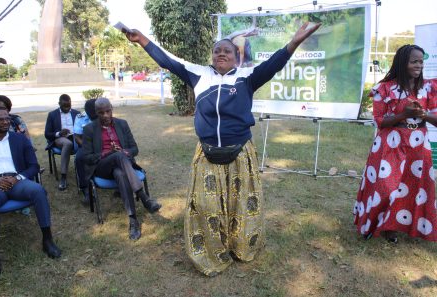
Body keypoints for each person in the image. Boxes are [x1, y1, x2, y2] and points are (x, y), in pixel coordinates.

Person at [124, 22, 321, 276]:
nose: (221, 54)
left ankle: (241, 248)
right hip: (206, 153)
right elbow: (168, 61)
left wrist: (294, 42)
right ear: (212, 56)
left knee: (242, 206)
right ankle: (211, 250)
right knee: (206, 207)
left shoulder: (247, 77)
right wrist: (142, 40)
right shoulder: (198, 75)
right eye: (217, 51)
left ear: (236, 57)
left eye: (227, 51)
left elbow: (275, 63)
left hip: (240, 152)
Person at [354, 44, 437, 244]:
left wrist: (422, 114)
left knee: (412, 187)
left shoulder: (429, 88)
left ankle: (393, 227)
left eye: (421, 61)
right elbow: (379, 121)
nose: (419, 65)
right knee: (384, 186)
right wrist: (404, 114)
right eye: (414, 61)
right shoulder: (385, 88)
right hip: (390, 143)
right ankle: (372, 224)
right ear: (402, 63)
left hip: (419, 144)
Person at [82, 98, 162, 240]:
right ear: (96, 113)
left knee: (120, 173)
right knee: (117, 156)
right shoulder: (89, 129)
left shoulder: (122, 124)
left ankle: (133, 220)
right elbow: (86, 157)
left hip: (123, 165)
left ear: (112, 108)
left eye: (108, 111)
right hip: (102, 167)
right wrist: (108, 153)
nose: (105, 115)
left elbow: (134, 149)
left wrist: (124, 152)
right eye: (101, 113)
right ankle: (144, 197)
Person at [0, 107, 62, 273]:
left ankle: (47, 240)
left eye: (6, 119)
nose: (5, 122)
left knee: (38, 191)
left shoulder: (19, 139)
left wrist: (16, 178)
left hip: (17, 180)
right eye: (0, 119)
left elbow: (34, 166)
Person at [44, 94, 80, 190]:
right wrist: (59, 133)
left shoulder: (77, 113)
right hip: (60, 138)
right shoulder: (52, 115)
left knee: (85, 143)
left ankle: (84, 174)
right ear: (59, 103)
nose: (67, 108)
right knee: (68, 144)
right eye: (65, 106)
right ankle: (63, 177)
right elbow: (47, 133)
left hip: (75, 137)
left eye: (69, 105)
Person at [73, 99, 97, 204]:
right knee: (79, 158)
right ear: (86, 111)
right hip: (86, 145)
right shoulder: (80, 117)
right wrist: (86, 146)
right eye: (91, 113)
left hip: (102, 144)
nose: (94, 115)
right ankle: (85, 189)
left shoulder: (102, 114)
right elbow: (77, 137)